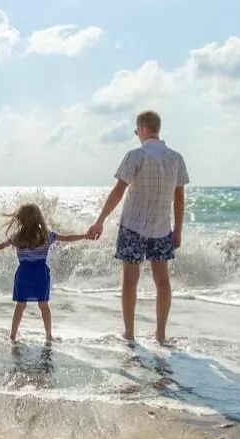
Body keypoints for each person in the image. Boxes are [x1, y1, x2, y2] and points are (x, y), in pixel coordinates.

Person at [86, 110, 189, 344]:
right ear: (157, 129)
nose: (137, 135)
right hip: (162, 228)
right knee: (162, 281)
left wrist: (100, 220)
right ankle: (160, 334)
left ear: (142, 129)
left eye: (136, 131)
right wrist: (178, 230)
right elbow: (180, 199)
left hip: (132, 225)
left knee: (130, 280)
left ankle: (130, 334)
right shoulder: (176, 158)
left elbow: (118, 192)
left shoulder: (136, 156)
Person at [0, 203, 90, 344]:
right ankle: (48, 335)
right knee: (43, 305)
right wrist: (85, 236)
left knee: (20, 306)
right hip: (40, 275)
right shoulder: (46, 235)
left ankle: (13, 335)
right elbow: (67, 238)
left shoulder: (17, 237)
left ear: (20, 219)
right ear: (39, 218)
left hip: (23, 274)